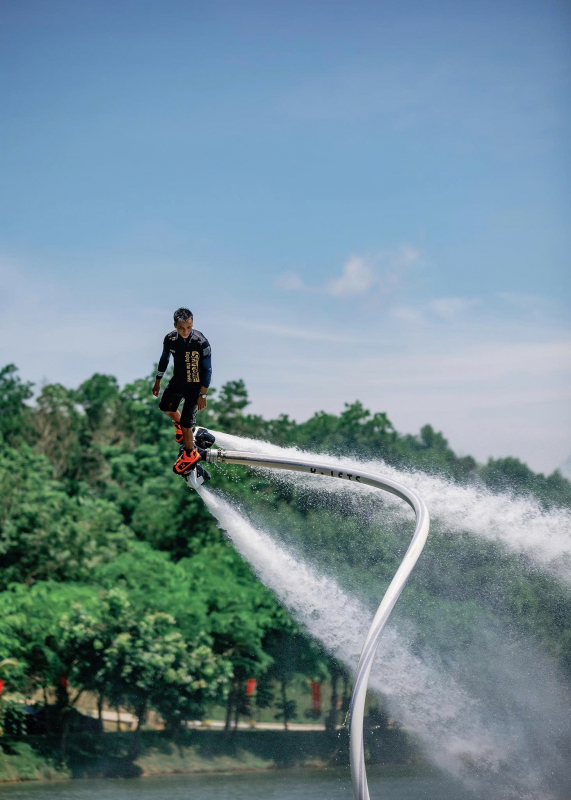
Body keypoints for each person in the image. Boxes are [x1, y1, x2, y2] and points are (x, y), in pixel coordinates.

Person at [152, 307, 212, 475]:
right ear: (175, 325)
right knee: (166, 407)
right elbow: (164, 359)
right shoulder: (170, 339)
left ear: (192, 324)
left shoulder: (201, 342)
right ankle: (185, 430)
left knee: (187, 425)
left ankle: (190, 453)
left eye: (189, 327)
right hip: (178, 382)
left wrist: (203, 394)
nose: (186, 331)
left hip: (195, 387)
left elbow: (208, 370)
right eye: (181, 328)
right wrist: (158, 381)